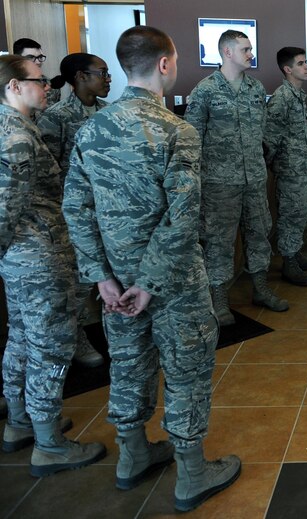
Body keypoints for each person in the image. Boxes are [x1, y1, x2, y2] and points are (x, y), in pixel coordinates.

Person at [62, 26, 240, 511]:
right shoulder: (176, 131)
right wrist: (149, 283)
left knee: (129, 364)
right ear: (165, 64)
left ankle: (133, 457)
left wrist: (103, 277)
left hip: (115, 286)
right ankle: (192, 475)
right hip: (173, 282)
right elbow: (182, 217)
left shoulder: (90, 129)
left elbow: (75, 209)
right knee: (186, 370)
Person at [0, 54, 106, 475]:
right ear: (13, 87)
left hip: (24, 256)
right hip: (39, 256)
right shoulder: (17, 137)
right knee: (50, 345)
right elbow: (8, 207)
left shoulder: (15, 127)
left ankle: (21, 423)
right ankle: (49, 444)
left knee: (23, 338)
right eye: (39, 81)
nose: (47, 87)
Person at [185, 30, 288, 326]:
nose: (250, 53)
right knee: (219, 241)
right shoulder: (205, 90)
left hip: (254, 179)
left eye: (250, 48)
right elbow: (192, 139)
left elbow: (263, 133)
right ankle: (218, 298)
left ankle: (260, 288)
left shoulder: (256, 89)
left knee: (259, 233)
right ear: (227, 52)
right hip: (219, 183)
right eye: (245, 49)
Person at [37, 52, 112, 368]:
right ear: (81, 76)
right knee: (79, 283)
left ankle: (117, 334)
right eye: (102, 73)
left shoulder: (109, 114)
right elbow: (47, 171)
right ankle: (79, 338)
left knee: (114, 277)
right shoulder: (55, 117)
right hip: (75, 214)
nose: (108, 79)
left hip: (109, 211)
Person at [265, 47, 307, 287]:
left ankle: (295, 252)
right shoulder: (282, 97)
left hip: (299, 168)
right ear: (288, 69)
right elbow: (269, 137)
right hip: (289, 169)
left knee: (299, 211)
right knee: (290, 213)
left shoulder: (298, 95)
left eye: (306, 62)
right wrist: (275, 166)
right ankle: (289, 262)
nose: (306, 67)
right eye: (300, 63)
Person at [13, 38, 61, 116]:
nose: (38, 62)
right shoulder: (8, 85)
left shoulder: (50, 84)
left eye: (40, 57)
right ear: (17, 59)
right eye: (30, 57)